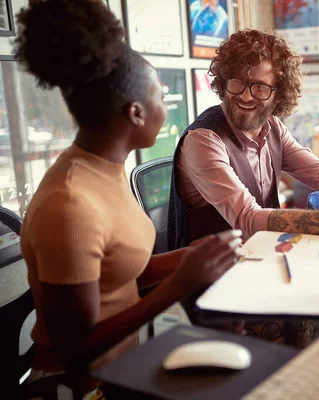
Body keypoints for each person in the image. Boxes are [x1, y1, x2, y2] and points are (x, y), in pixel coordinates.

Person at [14, 1, 240, 397]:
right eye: (160, 92)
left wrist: (192, 255)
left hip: (122, 369)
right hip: (78, 386)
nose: (166, 100)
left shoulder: (105, 168)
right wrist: (180, 283)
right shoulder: (70, 204)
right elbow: (75, 350)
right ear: (135, 112)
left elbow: (119, 272)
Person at [169, 29, 319, 249]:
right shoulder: (203, 140)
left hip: (262, 257)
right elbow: (247, 219)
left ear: (278, 93)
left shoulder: (272, 128)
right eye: (237, 82)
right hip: (211, 278)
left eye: (260, 87)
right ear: (224, 82)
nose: (245, 96)